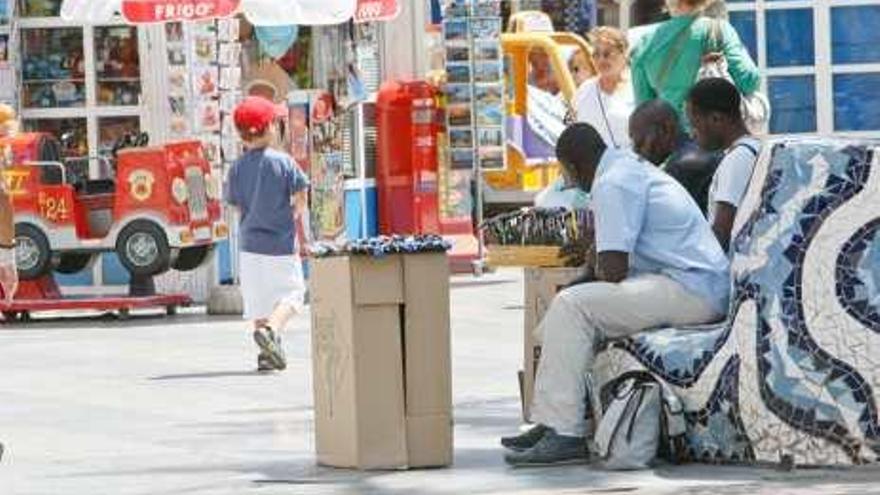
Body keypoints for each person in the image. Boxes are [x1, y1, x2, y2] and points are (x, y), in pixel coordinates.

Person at [501, 123, 729, 466]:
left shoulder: (611, 184)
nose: (571, 183)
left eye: (568, 174)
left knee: (572, 306)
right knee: (571, 307)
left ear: (574, 167)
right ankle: (552, 421)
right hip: (694, 284)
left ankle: (563, 431)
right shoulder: (624, 168)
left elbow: (613, 269)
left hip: (692, 289)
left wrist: (592, 261)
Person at [224, 96, 309, 372]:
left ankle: (265, 354)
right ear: (272, 126)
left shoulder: (236, 168)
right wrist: (294, 213)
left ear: (240, 135)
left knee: (260, 302)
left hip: (250, 247)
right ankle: (272, 331)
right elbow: (300, 197)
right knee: (292, 295)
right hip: (281, 244)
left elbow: (236, 204)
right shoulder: (283, 162)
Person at [630, 0, 760, 129]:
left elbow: (644, 107)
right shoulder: (719, 30)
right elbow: (749, 81)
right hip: (716, 133)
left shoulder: (645, 43)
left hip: (670, 138)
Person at [687, 78, 761, 252]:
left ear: (716, 118)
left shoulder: (737, 159)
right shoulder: (755, 147)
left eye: (694, 124)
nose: (692, 134)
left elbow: (722, 231)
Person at [629, 99, 722, 212]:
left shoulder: (681, 166)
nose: (636, 152)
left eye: (640, 143)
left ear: (665, 130)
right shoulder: (699, 148)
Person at [573, 27, 635, 149]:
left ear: (624, 54)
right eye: (596, 54)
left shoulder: (636, 88)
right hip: (593, 165)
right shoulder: (584, 90)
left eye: (607, 54)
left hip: (628, 164)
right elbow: (571, 126)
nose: (601, 60)